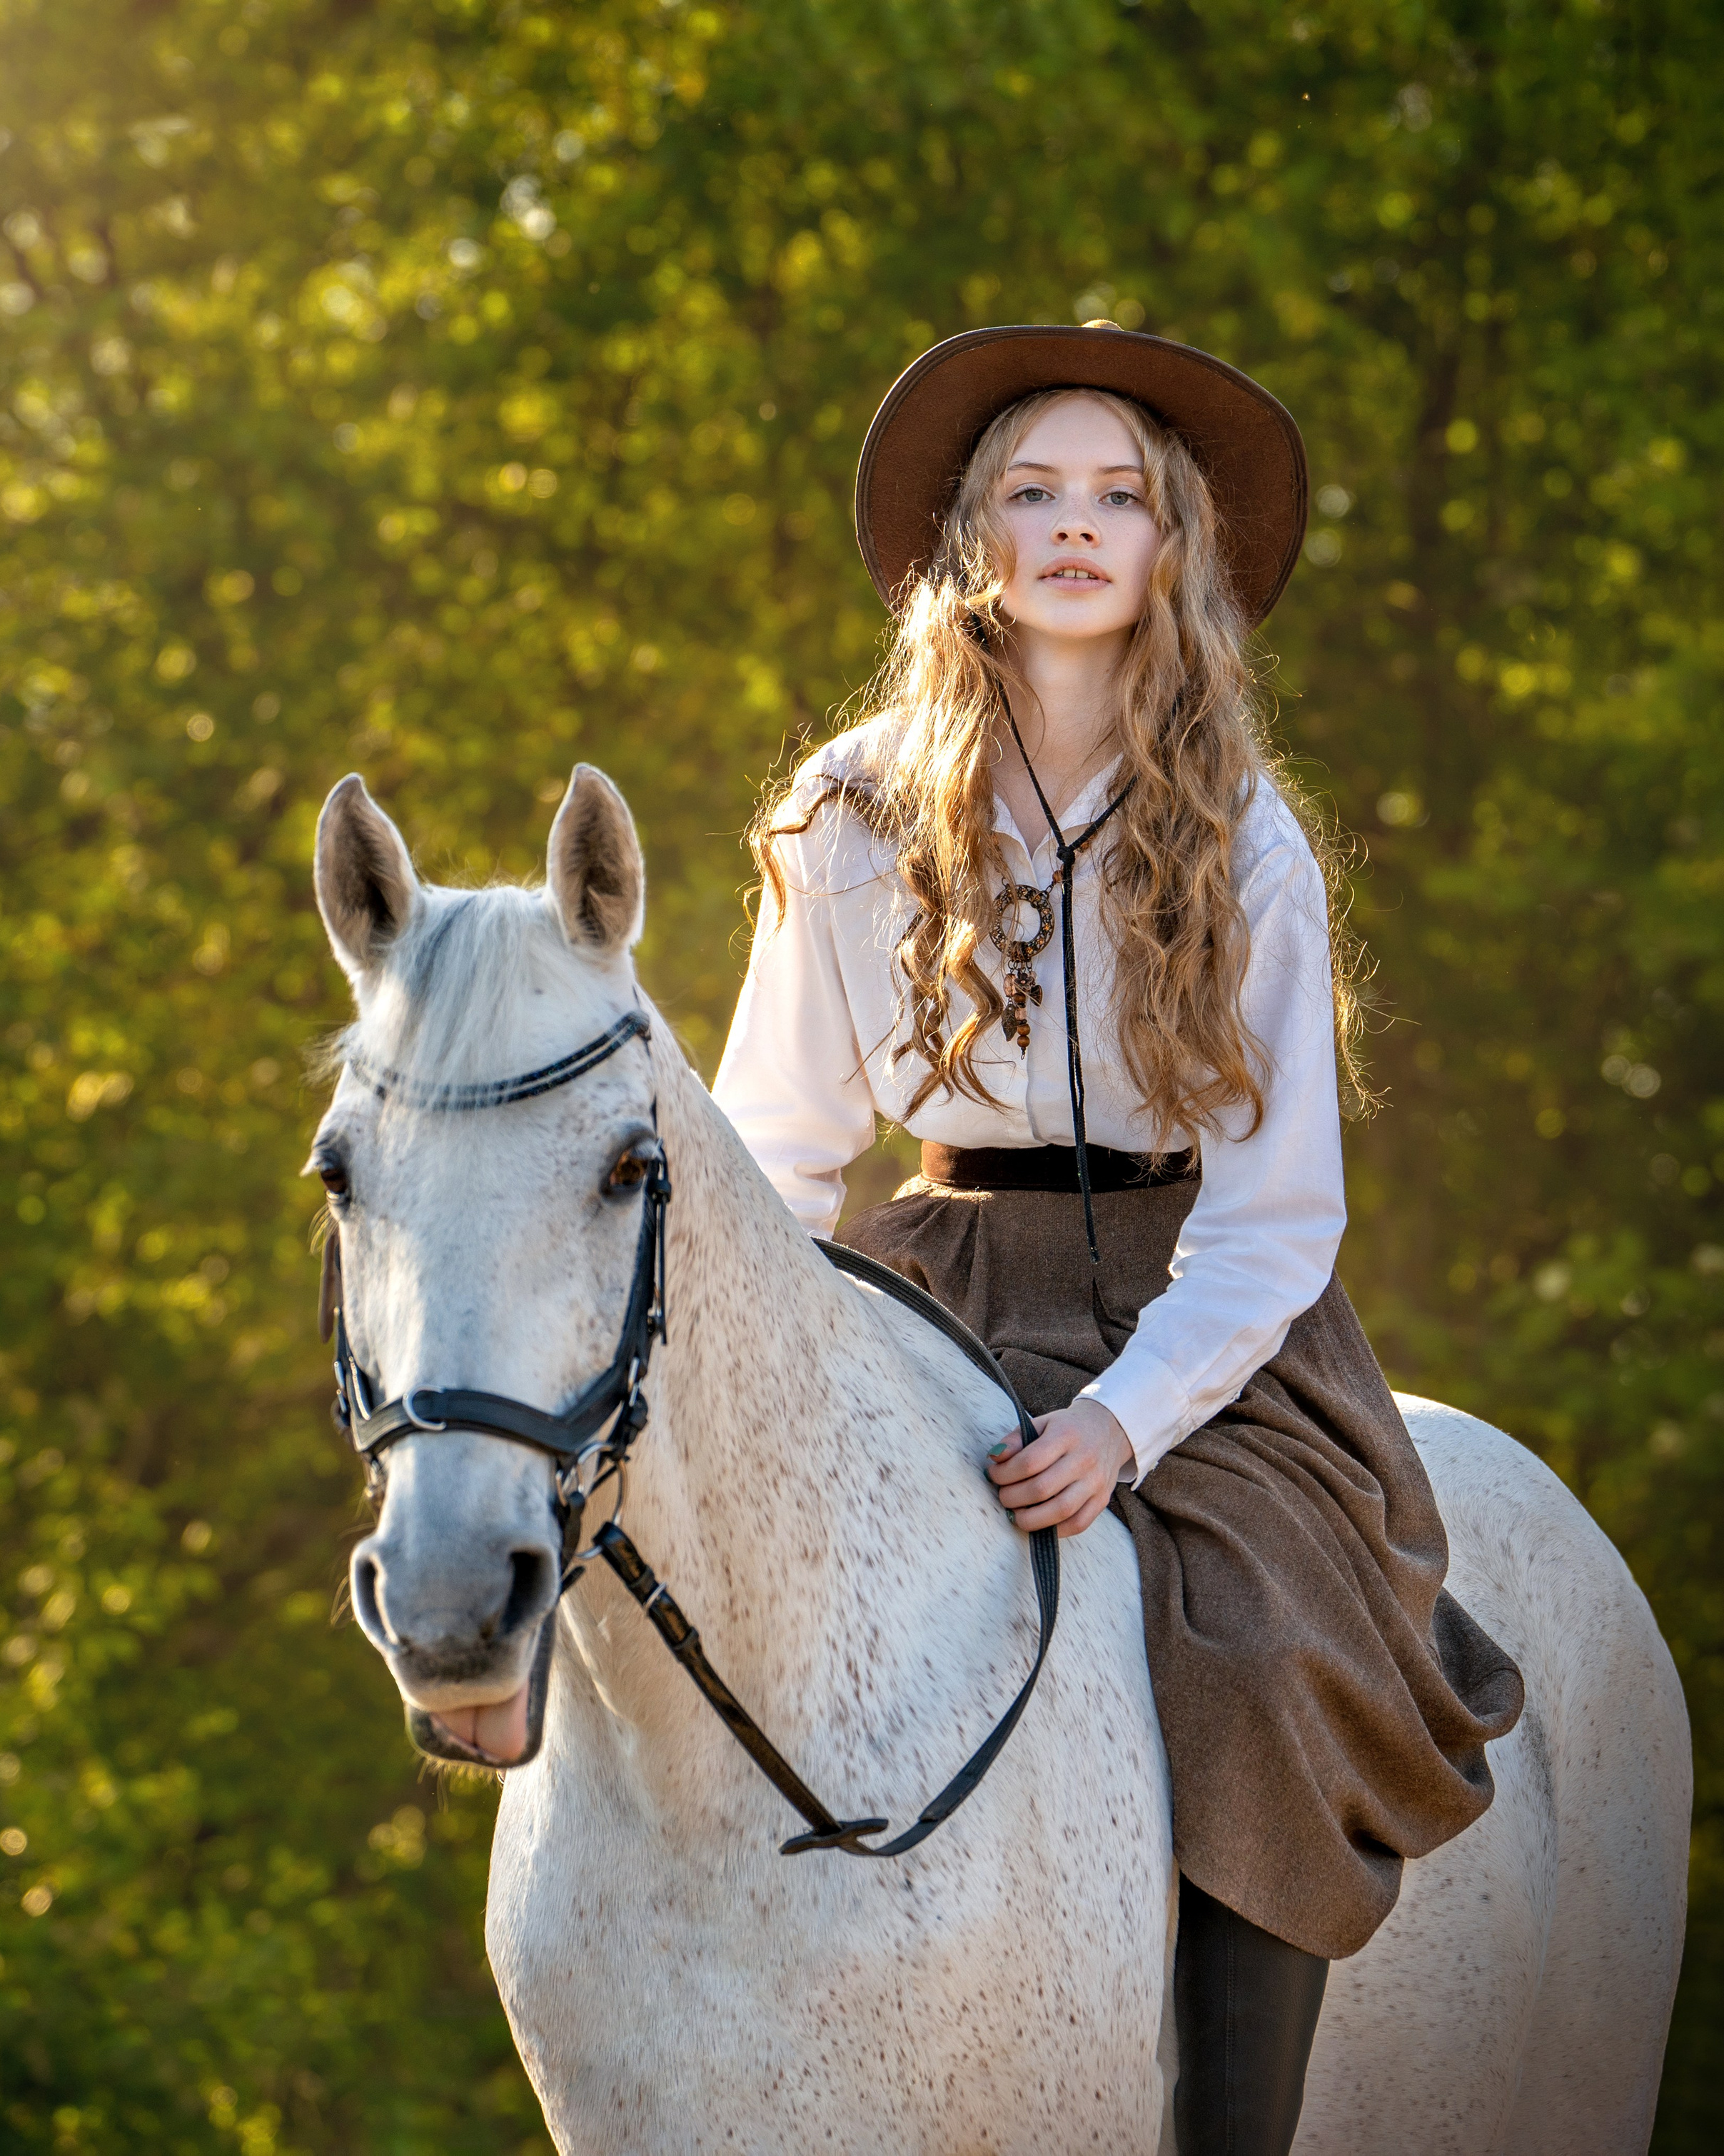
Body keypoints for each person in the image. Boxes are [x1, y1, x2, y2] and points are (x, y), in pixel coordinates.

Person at [711, 323, 1525, 2155]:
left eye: (1118, 497)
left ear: (1171, 549)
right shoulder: (844, 809)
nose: (1073, 528)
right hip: (932, 1282)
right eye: (1029, 491)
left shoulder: (1244, 837)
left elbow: (1271, 1222)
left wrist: (1121, 1425)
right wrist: (774, 1380)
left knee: (1250, 1646)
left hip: (1196, 1321)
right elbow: (772, 1149)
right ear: (964, 543)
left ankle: (1221, 2127)